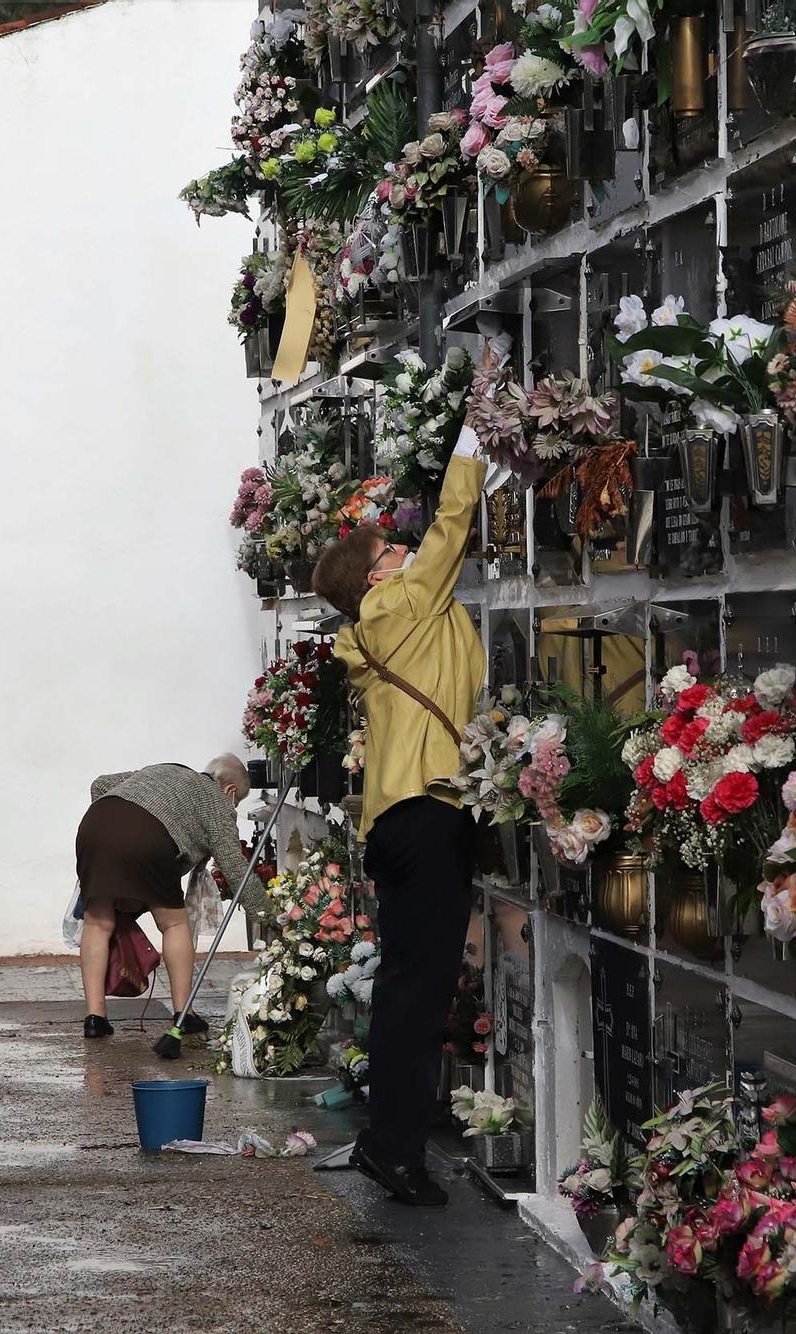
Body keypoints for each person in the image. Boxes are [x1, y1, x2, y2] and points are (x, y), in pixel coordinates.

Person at [313, 421, 494, 1206]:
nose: (407, 551)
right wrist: (474, 432)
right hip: (426, 811)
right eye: (393, 549)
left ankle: (383, 1139)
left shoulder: (391, 623)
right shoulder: (400, 609)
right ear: (377, 575)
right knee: (418, 996)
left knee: (404, 987)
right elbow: (454, 523)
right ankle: (396, 1153)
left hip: (398, 816)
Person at [74, 756, 256, 1039]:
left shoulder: (164, 770)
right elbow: (235, 868)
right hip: (150, 839)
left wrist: (116, 834)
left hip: (95, 826)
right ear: (230, 791)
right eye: (237, 801)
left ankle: (95, 1018)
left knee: (98, 923)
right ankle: (184, 1014)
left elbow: (102, 784)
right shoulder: (218, 802)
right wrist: (271, 916)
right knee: (173, 924)